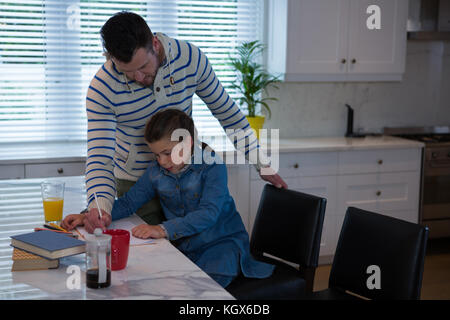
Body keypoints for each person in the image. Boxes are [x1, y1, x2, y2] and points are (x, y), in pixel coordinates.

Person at [83, 11, 286, 232]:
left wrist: (260, 161)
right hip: (136, 184)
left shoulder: (190, 58)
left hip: (187, 176)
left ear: (154, 44)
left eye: (142, 67)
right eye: (128, 72)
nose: (138, 78)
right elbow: (100, 157)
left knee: (191, 247)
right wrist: (99, 208)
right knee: (152, 255)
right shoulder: (101, 89)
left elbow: (226, 111)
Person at [64, 109, 275, 288]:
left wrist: (162, 229)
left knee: (199, 285)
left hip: (223, 244)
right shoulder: (156, 171)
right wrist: (93, 215)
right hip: (187, 247)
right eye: (157, 155)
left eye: (167, 152)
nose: (162, 161)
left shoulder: (212, 166)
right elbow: (129, 203)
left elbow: (209, 213)